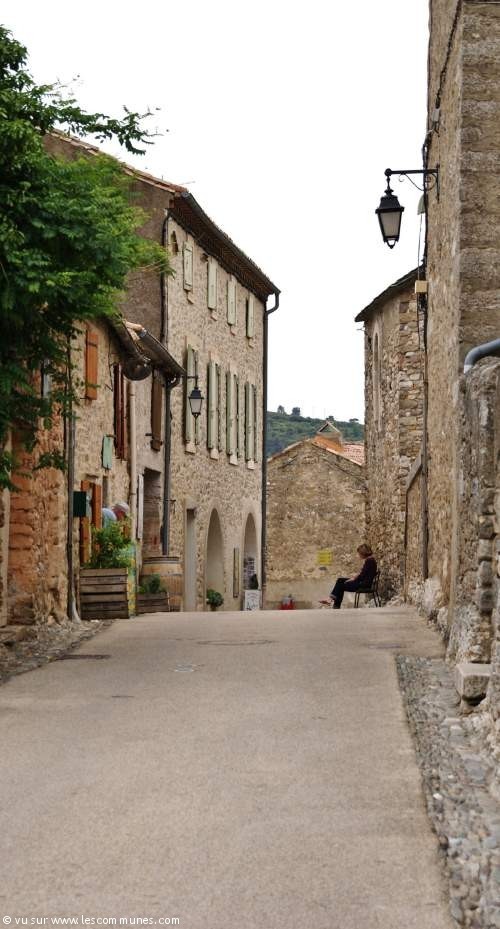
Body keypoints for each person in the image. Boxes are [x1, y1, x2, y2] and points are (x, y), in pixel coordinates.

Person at [320, 544, 377, 609]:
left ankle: (334, 604)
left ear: (363, 553)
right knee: (340, 580)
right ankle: (332, 601)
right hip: (362, 582)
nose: (359, 555)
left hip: (363, 585)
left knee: (341, 586)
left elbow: (362, 576)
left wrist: (354, 579)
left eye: (359, 553)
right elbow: (363, 574)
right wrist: (354, 578)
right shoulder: (370, 560)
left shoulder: (369, 561)